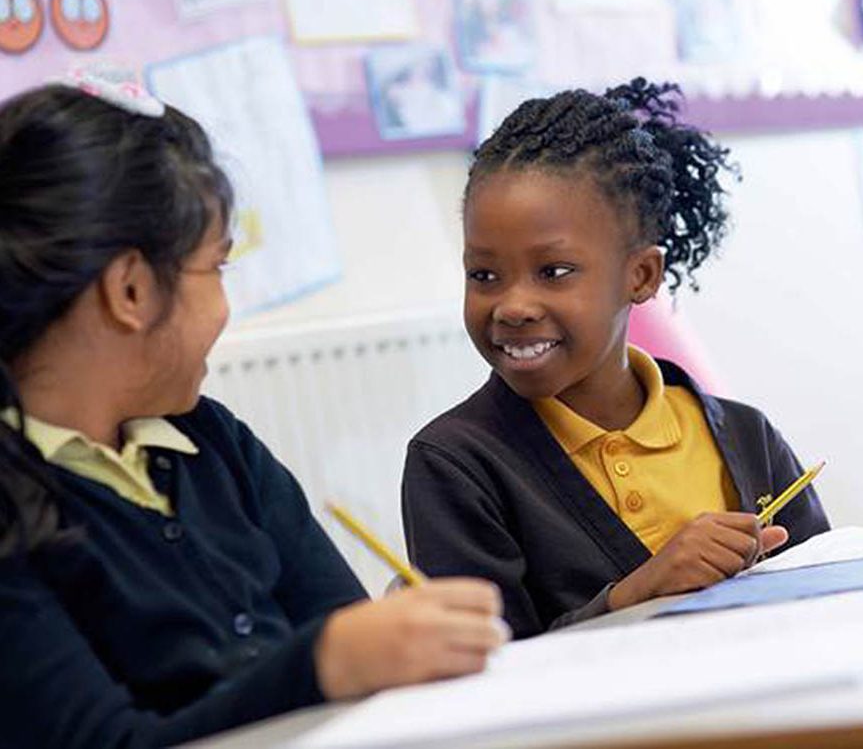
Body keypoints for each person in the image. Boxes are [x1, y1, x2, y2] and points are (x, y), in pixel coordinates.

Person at [0, 81, 507, 749]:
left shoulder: (215, 442)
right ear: (129, 290)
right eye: (216, 267)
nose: (224, 303)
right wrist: (326, 662)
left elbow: (347, 637)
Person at [401, 78, 830, 639]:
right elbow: (488, 673)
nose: (512, 305)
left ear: (641, 276)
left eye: (552, 272)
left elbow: (832, 605)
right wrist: (633, 596)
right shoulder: (456, 465)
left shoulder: (749, 437)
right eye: (484, 275)